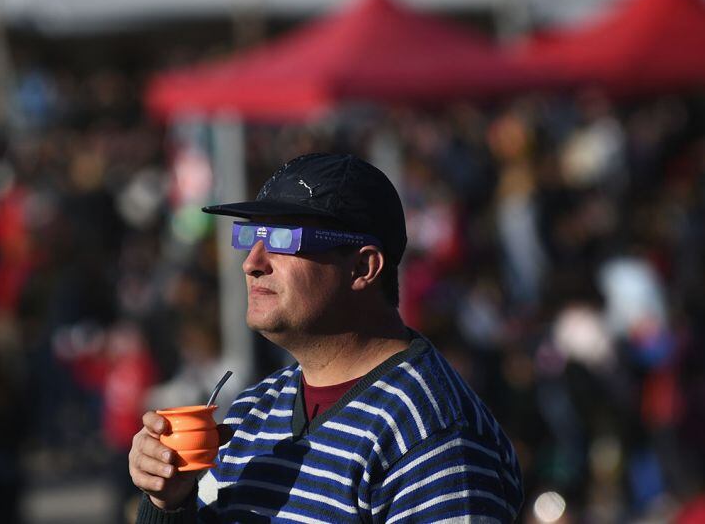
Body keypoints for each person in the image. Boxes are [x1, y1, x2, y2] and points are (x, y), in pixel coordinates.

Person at [130, 153, 524, 522]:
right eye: (252, 237)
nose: (252, 263)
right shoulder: (252, 412)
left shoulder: (430, 435)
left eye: (284, 239)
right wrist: (169, 503)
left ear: (363, 267)